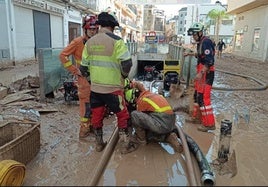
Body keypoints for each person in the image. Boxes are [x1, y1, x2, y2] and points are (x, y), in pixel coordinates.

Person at [80, 9, 135, 154]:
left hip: (96, 90)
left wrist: (92, 81)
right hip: (113, 89)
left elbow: (83, 68)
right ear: (112, 26)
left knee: (96, 116)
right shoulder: (117, 41)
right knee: (123, 115)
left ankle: (99, 144)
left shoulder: (90, 43)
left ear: (100, 26)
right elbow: (127, 64)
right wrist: (123, 76)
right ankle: (125, 146)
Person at [59, 15, 99, 138]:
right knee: (86, 104)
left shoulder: (98, 42)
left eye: (95, 29)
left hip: (97, 79)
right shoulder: (77, 42)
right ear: (85, 29)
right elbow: (62, 55)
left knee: (95, 103)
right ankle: (84, 129)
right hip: (84, 80)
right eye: (90, 29)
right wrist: (74, 70)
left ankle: (92, 125)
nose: (93, 31)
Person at [124, 79, 183, 153]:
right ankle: (169, 137)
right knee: (148, 124)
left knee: (134, 115)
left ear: (135, 98)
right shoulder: (148, 94)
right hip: (171, 122)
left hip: (162, 123)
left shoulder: (141, 101)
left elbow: (139, 121)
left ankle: (141, 141)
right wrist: (135, 83)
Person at [184, 22, 216, 132]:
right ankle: (197, 117)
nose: (193, 37)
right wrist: (190, 54)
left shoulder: (206, 42)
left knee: (204, 98)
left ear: (200, 32)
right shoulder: (201, 42)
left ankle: (209, 124)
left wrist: (201, 73)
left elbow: (209, 61)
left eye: (194, 34)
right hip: (202, 72)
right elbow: (200, 55)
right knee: (197, 96)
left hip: (206, 74)